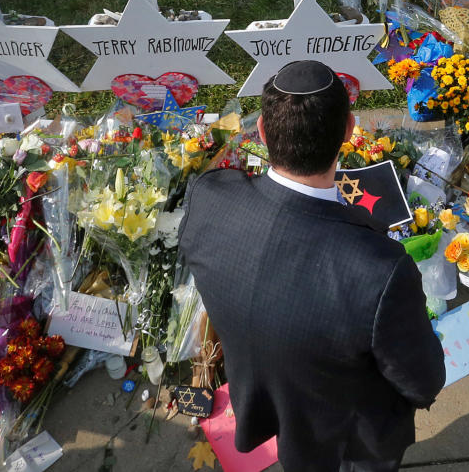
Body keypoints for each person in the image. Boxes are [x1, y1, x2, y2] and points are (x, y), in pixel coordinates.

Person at [179, 60, 445, 471]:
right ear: (349, 131)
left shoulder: (209, 199)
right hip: (350, 437)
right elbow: (421, 380)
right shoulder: (378, 271)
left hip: (265, 397)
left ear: (263, 133)